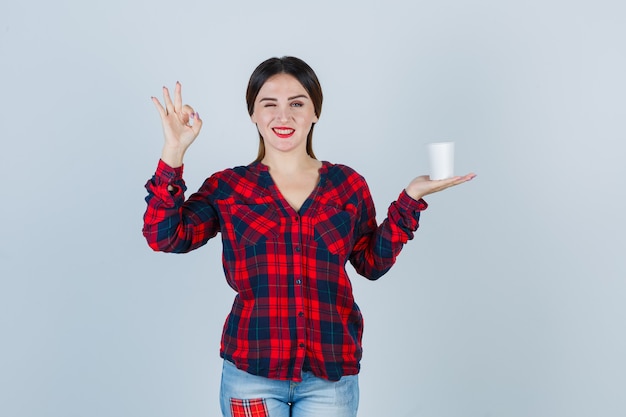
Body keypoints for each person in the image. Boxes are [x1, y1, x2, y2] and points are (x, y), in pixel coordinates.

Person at [143, 56, 475, 417]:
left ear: (315, 112)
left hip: (330, 378)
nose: (283, 117)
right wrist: (173, 154)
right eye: (269, 104)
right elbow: (164, 237)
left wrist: (410, 200)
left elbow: (371, 263)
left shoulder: (347, 185)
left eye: (297, 104)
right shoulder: (228, 187)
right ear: (253, 114)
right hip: (251, 373)